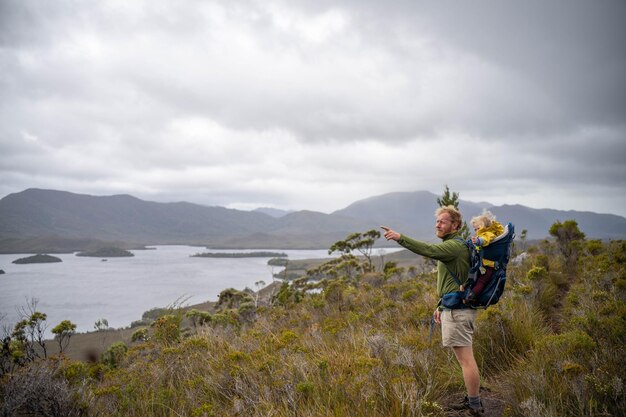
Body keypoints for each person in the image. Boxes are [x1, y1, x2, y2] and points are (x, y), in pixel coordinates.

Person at [381, 205, 484, 416]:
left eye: (443, 221)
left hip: (458, 312)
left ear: (455, 225)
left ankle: (474, 404)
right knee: (465, 358)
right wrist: (440, 306)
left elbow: (428, 250)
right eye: (437, 221)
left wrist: (400, 237)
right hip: (454, 307)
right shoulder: (454, 245)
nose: (438, 224)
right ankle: (473, 400)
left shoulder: (454, 246)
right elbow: (452, 281)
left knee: (466, 360)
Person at [466, 210, 505, 302]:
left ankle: (471, 295)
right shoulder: (483, 234)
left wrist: (479, 241)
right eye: (475, 229)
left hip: (490, 266)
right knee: (475, 278)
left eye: (478, 228)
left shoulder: (488, 233)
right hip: (484, 264)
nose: (476, 231)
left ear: (485, 226)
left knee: (482, 281)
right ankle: (470, 291)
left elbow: (485, 239)